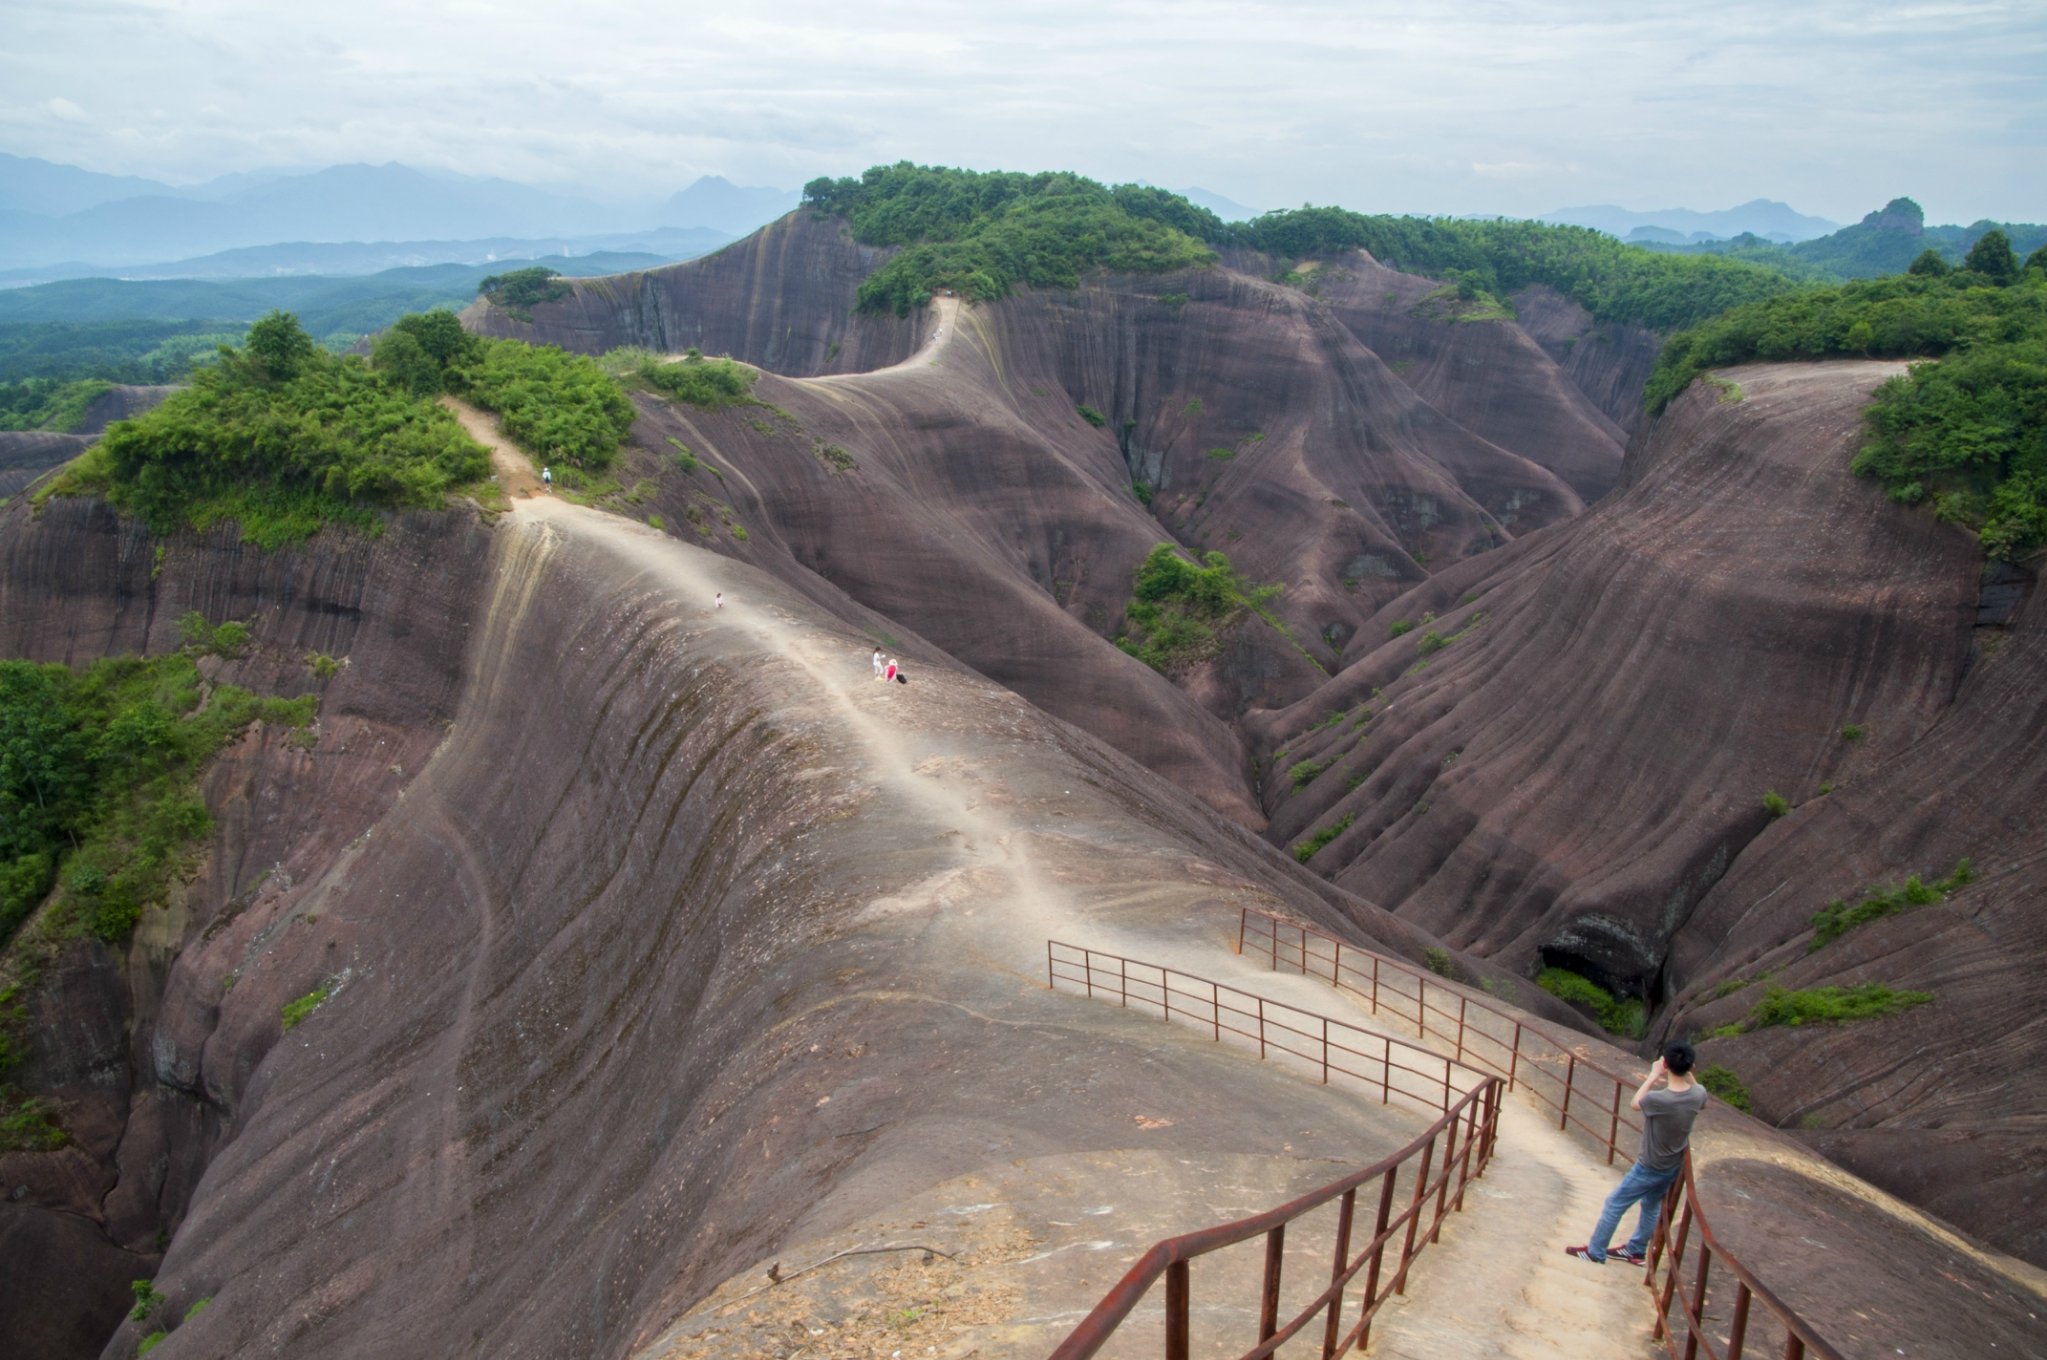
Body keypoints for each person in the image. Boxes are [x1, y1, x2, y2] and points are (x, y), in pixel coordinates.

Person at [1566, 1041, 1708, 1266]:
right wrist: (1687, 1071)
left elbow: (1635, 1103)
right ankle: (1636, 1250)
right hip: (1672, 1165)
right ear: (1692, 1067)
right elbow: (1698, 1093)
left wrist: (1653, 1075)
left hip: (1650, 1165)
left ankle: (1596, 1252)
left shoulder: (1659, 1099)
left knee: (1614, 1203)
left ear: (1666, 1064)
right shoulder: (1698, 1094)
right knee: (1651, 1204)